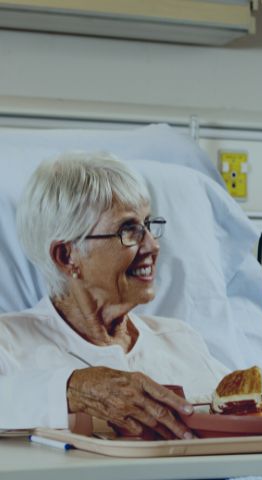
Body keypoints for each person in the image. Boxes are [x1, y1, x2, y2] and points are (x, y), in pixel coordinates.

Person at [0, 151, 230, 439]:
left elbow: (248, 410)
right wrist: (72, 389)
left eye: (148, 225)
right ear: (67, 255)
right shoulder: (9, 342)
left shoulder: (180, 339)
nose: (152, 246)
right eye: (128, 230)